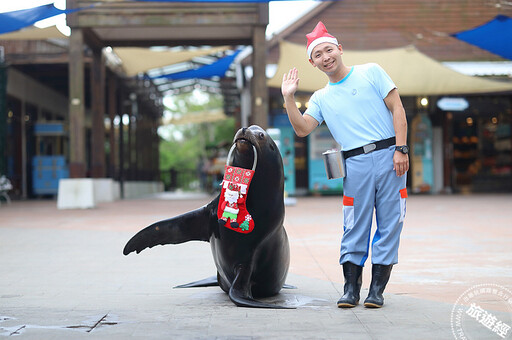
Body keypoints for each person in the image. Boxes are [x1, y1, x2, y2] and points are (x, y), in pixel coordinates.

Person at [281, 21, 409, 308]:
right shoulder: (321, 98)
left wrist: (402, 148)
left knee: (391, 221)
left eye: (329, 50)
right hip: (355, 164)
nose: (325, 57)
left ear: (339, 49)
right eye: (318, 55)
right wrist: (289, 98)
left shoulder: (371, 72)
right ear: (313, 63)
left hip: (390, 155)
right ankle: (351, 289)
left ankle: (377, 290)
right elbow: (302, 129)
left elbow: (397, 108)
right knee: (354, 224)